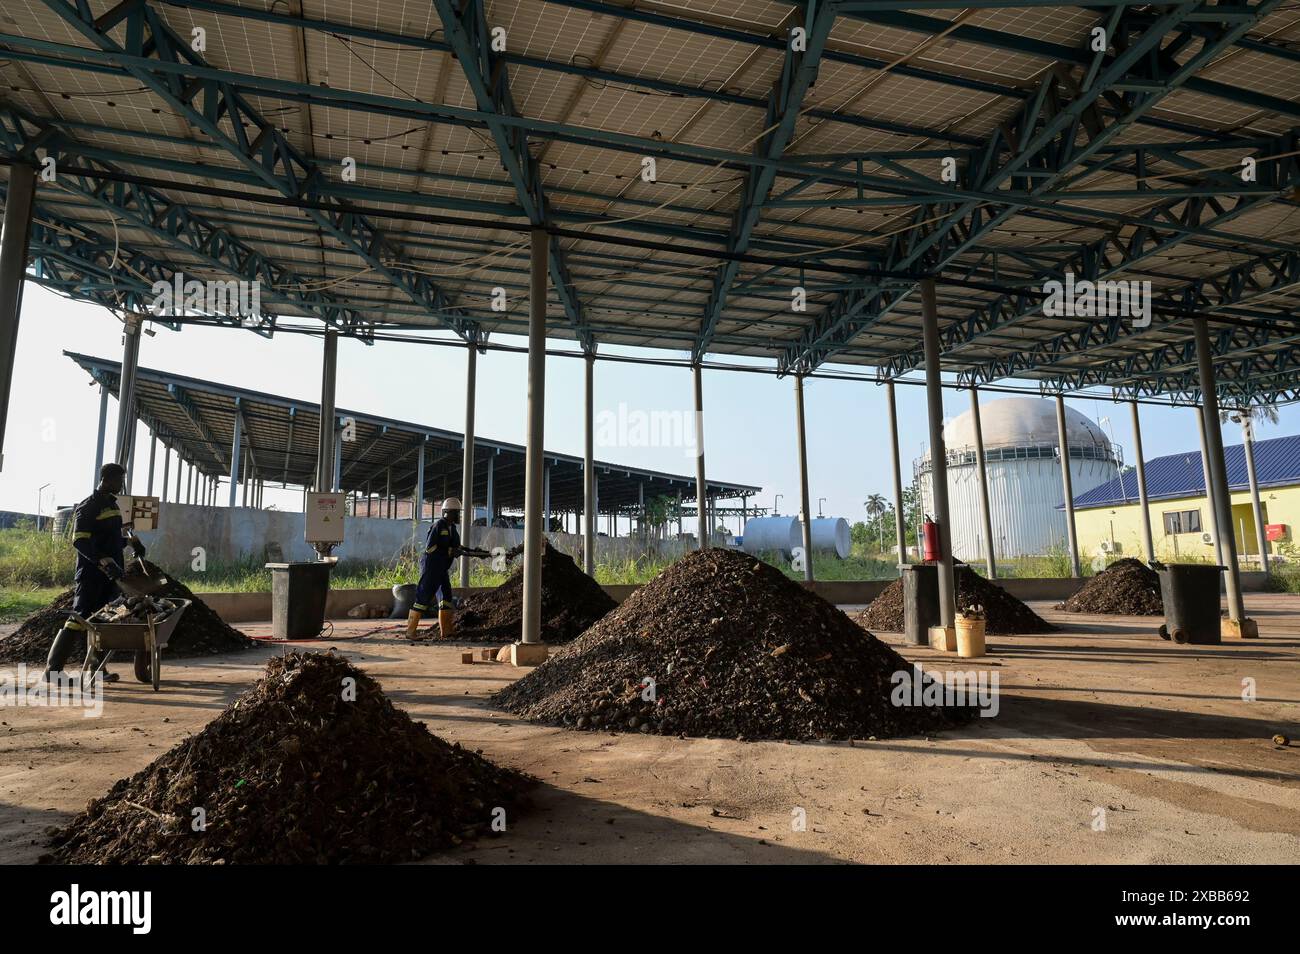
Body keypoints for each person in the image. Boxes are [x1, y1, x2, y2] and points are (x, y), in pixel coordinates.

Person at [43, 463, 147, 681]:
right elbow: (80, 541)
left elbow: (109, 539)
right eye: (119, 480)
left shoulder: (112, 505)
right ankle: (53, 671)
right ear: (107, 480)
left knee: (103, 619)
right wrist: (103, 561)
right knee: (79, 618)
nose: (121, 485)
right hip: (91, 574)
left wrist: (130, 542)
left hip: (111, 574)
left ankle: (97, 671)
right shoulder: (88, 506)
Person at [407, 497, 488, 639]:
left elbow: (457, 547)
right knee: (423, 598)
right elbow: (430, 548)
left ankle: (446, 632)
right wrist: (449, 551)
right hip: (431, 568)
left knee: (445, 597)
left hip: (442, 568)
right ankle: (410, 632)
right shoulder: (438, 526)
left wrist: (475, 552)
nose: (458, 516)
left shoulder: (452, 528)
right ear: (447, 512)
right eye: (456, 512)